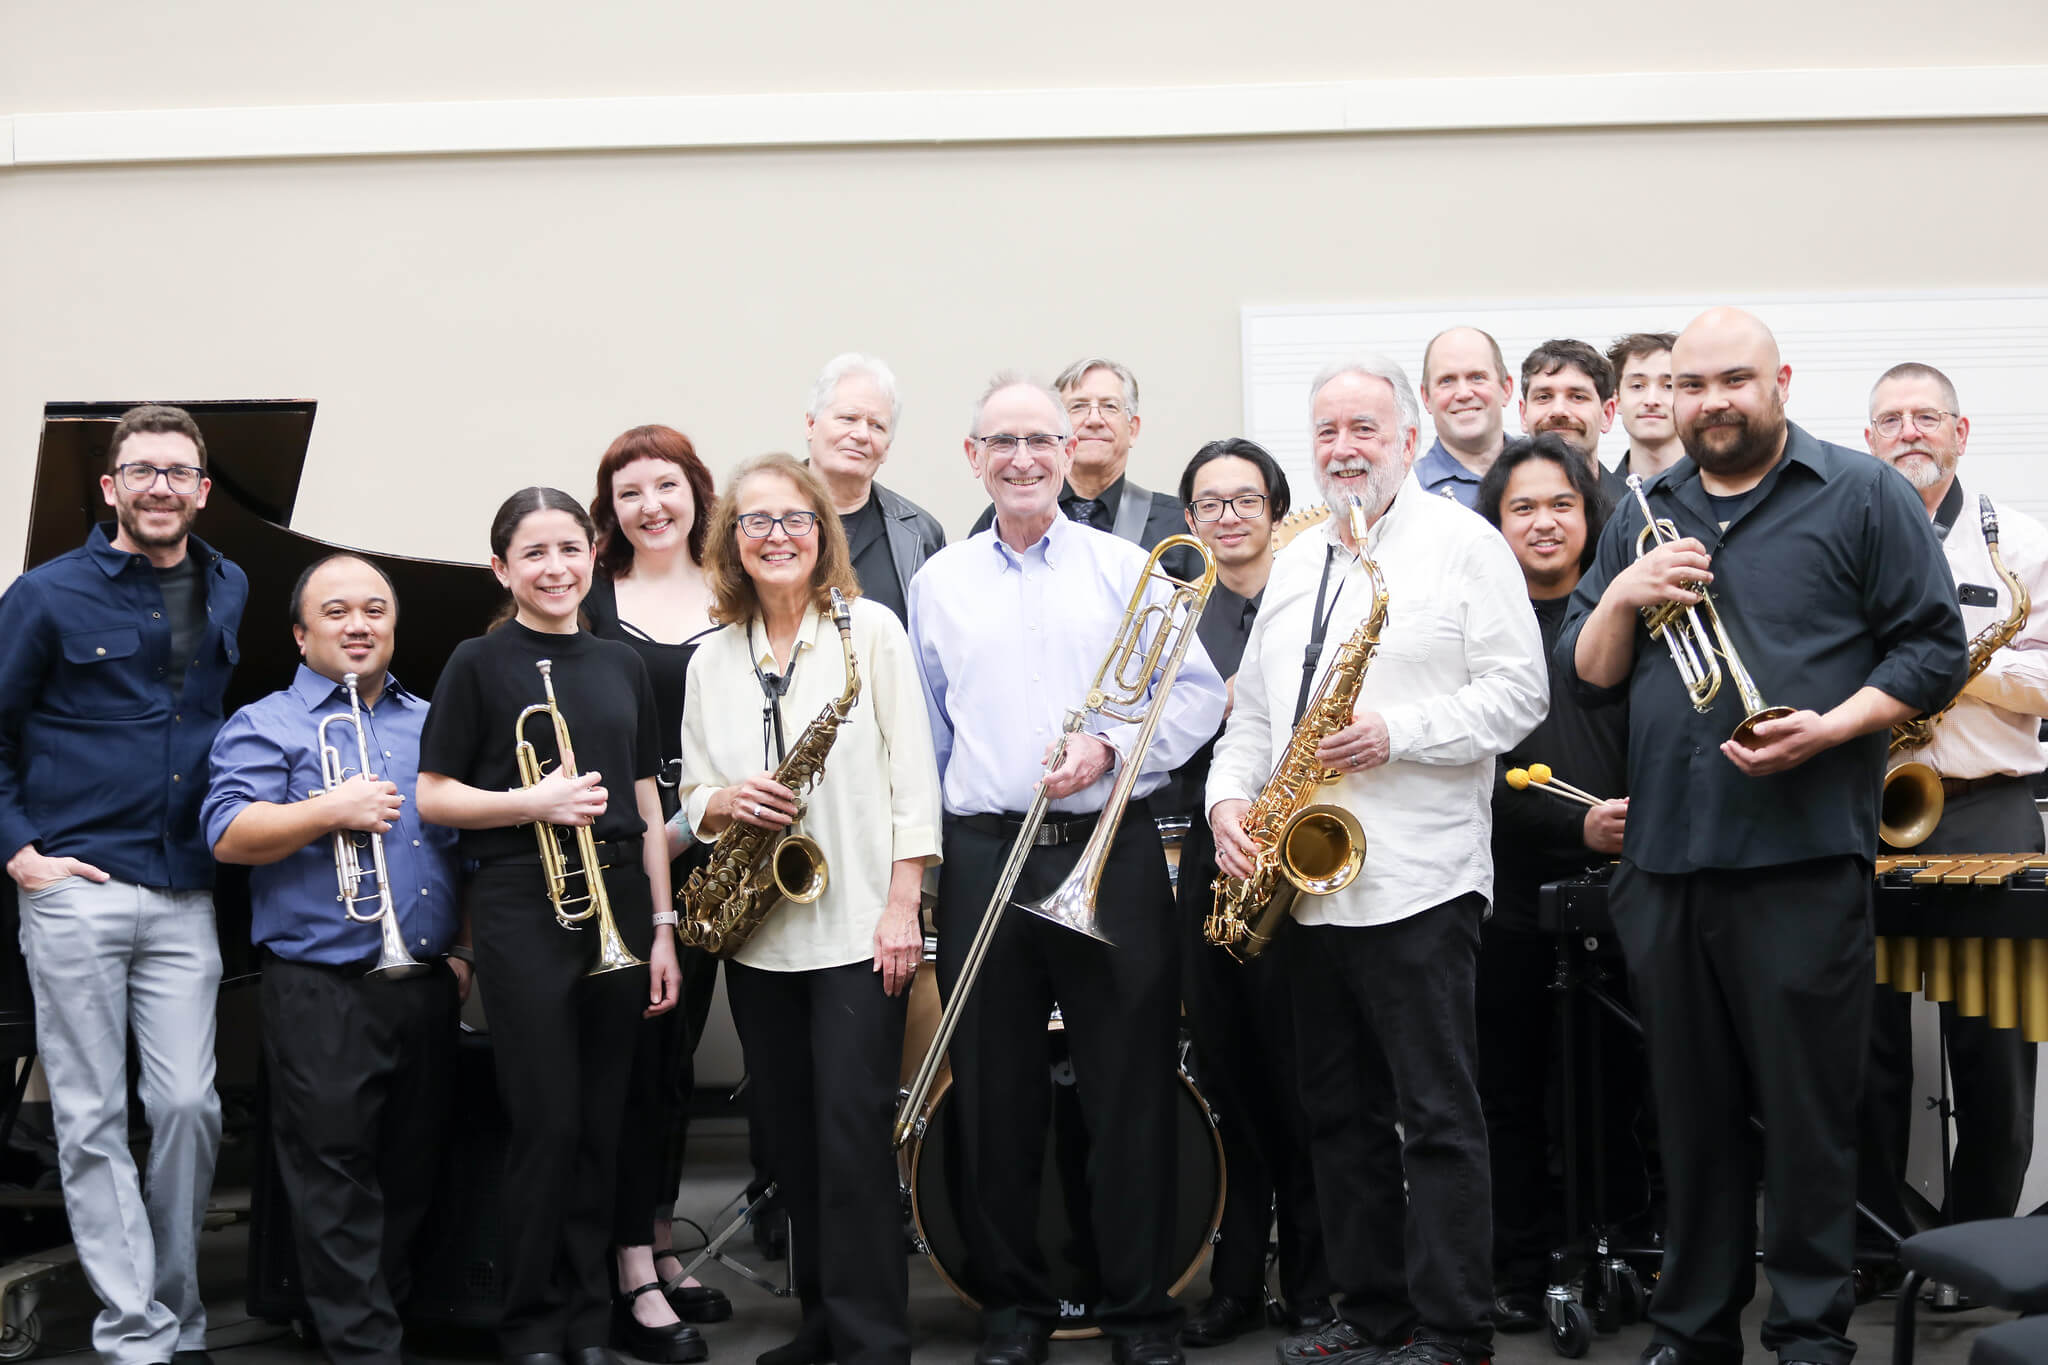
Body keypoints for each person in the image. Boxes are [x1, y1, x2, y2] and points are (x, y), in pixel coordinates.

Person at [1557, 308, 1967, 1365]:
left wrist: (1832, 728)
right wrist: (1626, 596)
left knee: (1804, 1113)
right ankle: (1692, 1329)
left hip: (1797, 856)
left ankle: (1805, 1329)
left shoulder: (1861, 493)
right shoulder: (1642, 506)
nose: (1710, 402)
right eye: (1689, 386)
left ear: (1777, 380)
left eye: (1732, 380)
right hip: (1665, 863)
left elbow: (1930, 650)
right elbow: (1591, 674)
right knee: (1686, 1119)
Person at [1207, 358, 1549, 1365]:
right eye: (1325, 432)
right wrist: (1230, 799)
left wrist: (1397, 730)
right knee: (1337, 1116)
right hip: (1307, 892)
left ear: (1406, 439)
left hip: (1418, 881)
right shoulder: (1295, 559)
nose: (1343, 447)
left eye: (1363, 427)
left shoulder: (1463, 546)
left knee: (1436, 1119)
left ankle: (1452, 1330)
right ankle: (1371, 1313)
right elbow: (1256, 717)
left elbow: (1517, 692)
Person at [911, 373, 1227, 1365]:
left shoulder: (1124, 565)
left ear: (1067, 452)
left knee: (1127, 1090)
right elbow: (925, 738)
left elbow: (1197, 698)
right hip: (983, 854)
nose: (1021, 458)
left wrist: (1111, 746)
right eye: (999, 441)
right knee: (995, 1093)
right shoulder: (938, 583)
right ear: (972, 457)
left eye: (1039, 440)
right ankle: (1014, 1311)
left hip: (1110, 846)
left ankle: (1140, 1310)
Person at [675, 453, 942, 1365]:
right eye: (757, 522)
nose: (777, 535)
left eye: (796, 519)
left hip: (862, 929)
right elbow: (693, 794)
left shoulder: (871, 632)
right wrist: (724, 803)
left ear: (823, 535)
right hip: (761, 939)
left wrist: (905, 902)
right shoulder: (712, 656)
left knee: (853, 1137)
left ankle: (873, 1341)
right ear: (731, 542)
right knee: (793, 1144)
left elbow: (916, 776)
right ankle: (823, 1326)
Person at [0, 404, 248, 1365]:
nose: (160, 487)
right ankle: (136, 1328)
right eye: (140, 470)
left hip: (186, 888)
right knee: (91, 1114)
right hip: (75, 886)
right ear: (110, 488)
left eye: (177, 472)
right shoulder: (47, 595)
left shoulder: (228, 585)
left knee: (192, 1105)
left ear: (201, 490)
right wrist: (21, 853)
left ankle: (174, 1305)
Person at [418, 488, 684, 1365]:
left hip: (617, 897)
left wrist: (662, 927)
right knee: (546, 1121)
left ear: (592, 554)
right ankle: (530, 1325)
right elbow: (433, 793)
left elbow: (647, 802)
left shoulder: (621, 666)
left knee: (603, 1121)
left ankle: (587, 1321)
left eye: (570, 548)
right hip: (521, 898)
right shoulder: (475, 661)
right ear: (503, 568)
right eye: (533, 553)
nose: (555, 567)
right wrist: (528, 801)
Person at [204, 553, 462, 1365]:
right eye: (338, 610)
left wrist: (461, 954)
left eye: (375, 610)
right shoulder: (264, 723)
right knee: (334, 1174)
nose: (359, 624)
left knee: (412, 1168)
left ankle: (359, 1321)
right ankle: (365, 1348)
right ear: (300, 631)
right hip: (320, 984)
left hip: (423, 980)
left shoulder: (430, 722)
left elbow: (465, 848)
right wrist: (326, 810)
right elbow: (228, 835)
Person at [1856, 362, 2048, 1257]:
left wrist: (1959, 671)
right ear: (1868, 441)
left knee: (1996, 1049)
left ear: (1960, 433)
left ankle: (1976, 1249)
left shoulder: (2025, 546)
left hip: (1988, 809)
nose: (1909, 432)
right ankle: (1872, 1241)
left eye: (1926, 416)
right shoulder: (1839, 542)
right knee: (1862, 1047)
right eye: (1890, 419)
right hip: (1862, 807)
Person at [1472, 436, 1646, 1334]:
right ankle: (1517, 1261)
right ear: (1496, 524)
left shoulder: (1631, 618)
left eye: (1562, 505)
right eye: (1522, 507)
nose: (1543, 522)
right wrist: (1572, 823)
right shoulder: (1472, 622)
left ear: (1591, 517)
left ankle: (1615, 1249)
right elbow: (1465, 768)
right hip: (1502, 892)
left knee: (1618, 1089)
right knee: (1507, 1090)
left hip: (1622, 890)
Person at [1168, 440, 1334, 1348]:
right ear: (1189, 519)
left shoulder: (1313, 599)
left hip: (1297, 859)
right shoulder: (1175, 613)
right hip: (1212, 853)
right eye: (1209, 502)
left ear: (1274, 508)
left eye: (1246, 498)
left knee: (1302, 1080)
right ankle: (1234, 1280)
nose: (1228, 516)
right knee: (1228, 1075)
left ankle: (1315, 1277)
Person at [582, 426, 733, 1345]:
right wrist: (657, 833)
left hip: (719, 848)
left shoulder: (732, 590)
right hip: (627, 853)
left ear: (695, 493)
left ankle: (659, 1236)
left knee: (676, 1059)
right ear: (611, 507)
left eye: (666, 486)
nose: (651, 505)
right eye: (630, 491)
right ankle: (627, 1260)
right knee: (633, 1061)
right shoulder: (593, 600)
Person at [969, 358, 1201, 580]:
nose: (1094, 420)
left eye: (1110, 406)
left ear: (1133, 429)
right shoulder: (1005, 515)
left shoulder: (1180, 523)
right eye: (1078, 406)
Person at [802, 354, 947, 622]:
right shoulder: (763, 519)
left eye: (876, 426)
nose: (861, 435)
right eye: (848, 418)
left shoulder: (920, 535)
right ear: (811, 424)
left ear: (887, 448)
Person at [1414, 327, 1516, 509]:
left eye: (1477, 377)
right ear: (1426, 398)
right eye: (1446, 380)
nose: (1463, 394)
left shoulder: (1549, 471)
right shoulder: (1409, 494)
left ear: (1506, 389)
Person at [1518, 340, 1618, 499]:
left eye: (1577, 397)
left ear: (1607, 414)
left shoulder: (1637, 511)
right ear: (1523, 414)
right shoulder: (1493, 515)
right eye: (1544, 397)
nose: (1559, 411)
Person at [1603, 334, 1683, 486]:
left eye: (1668, 386)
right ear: (1617, 399)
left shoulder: (1720, 491)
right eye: (1637, 386)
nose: (1651, 400)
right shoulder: (1596, 501)